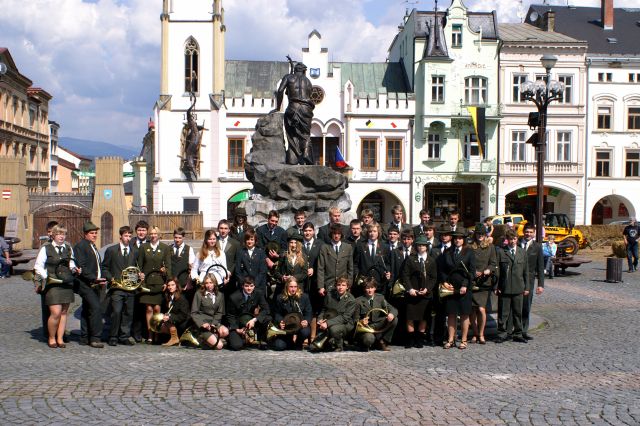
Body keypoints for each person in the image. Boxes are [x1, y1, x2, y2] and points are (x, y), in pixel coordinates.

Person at [33, 225, 76, 348]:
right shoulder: (46, 248)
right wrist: (46, 276)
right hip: (52, 284)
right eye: (58, 234)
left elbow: (72, 263)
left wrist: (75, 269)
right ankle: (51, 337)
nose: (61, 236)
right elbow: (38, 266)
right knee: (55, 313)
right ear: (53, 235)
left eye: (64, 234)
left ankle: (60, 339)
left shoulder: (68, 248)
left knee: (63, 312)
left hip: (66, 283)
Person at [101, 226, 138, 346]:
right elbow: (104, 267)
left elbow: (136, 268)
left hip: (130, 288)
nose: (128, 238)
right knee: (116, 312)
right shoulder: (111, 250)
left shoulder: (134, 251)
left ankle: (124, 336)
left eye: (130, 236)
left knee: (128, 313)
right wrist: (110, 278)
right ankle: (113, 336)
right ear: (120, 236)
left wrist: (140, 275)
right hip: (117, 287)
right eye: (126, 236)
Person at [438, 230, 475, 350]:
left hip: (464, 287)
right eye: (455, 238)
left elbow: (472, 271)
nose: (457, 240)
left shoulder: (469, 252)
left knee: (464, 314)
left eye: (460, 238)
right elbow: (442, 269)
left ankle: (463, 340)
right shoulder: (447, 252)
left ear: (463, 239)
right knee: (451, 314)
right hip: (450, 287)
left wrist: (465, 285)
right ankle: (450, 339)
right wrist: (445, 282)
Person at [274, 61, 314, 165]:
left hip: (293, 108)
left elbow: (280, 91)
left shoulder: (288, 77)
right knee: (305, 134)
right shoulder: (308, 81)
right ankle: (306, 153)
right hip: (306, 109)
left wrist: (278, 107)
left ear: (295, 70)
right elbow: (308, 95)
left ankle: (293, 159)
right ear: (304, 71)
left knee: (291, 134)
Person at [73, 221, 107, 348]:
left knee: (87, 309)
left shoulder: (92, 246)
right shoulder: (81, 246)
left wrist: (102, 278)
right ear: (85, 234)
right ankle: (95, 338)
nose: (95, 235)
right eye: (92, 233)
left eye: (96, 233)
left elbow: (98, 265)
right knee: (96, 308)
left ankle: (84, 337)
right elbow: (82, 266)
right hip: (85, 284)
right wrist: (94, 278)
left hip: (95, 284)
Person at [137, 226, 172, 343]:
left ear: (159, 235)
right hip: (147, 282)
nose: (153, 236)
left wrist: (167, 280)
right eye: (151, 234)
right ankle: (150, 335)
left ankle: (157, 333)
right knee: (148, 308)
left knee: (157, 308)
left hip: (159, 282)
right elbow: (139, 265)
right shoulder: (143, 247)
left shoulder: (165, 248)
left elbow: (168, 266)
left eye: (155, 233)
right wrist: (140, 277)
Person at [401, 235, 437, 348]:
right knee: (410, 316)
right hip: (412, 292)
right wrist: (410, 289)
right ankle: (410, 339)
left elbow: (434, 278)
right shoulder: (410, 259)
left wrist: (427, 289)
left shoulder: (431, 260)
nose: (421, 247)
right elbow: (405, 275)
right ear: (416, 246)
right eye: (419, 245)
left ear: (426, 247)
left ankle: (419, 339)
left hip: (425, 293)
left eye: (423, 245)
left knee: (424, 317)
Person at [495, 229, 529, 344]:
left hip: (518, 287)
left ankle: (518, 333)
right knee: (503, 313)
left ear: (517, 239)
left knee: (517, 312)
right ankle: (502, 333)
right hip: (504, 287)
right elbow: (497, 271)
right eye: (510, 239)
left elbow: (526, 271)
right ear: (507, 240)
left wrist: (527, 287)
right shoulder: (501, 252)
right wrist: (496, 286)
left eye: (514, 239)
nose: (512, 241)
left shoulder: (522, 252)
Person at [469, 223, 497, 345]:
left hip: (484, 282)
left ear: (485, 235)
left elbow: (493, 263)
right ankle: (475, 333)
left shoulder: (490, 247)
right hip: (472, 281)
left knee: (481, 309)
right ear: (475, 235)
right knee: (472, 310)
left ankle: (481, 334)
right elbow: (466, 262)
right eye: (478, 234)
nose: (480, 236)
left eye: (482, 234)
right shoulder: (470, 246)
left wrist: (488, 270)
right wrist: (472, 271)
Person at [226, 277, 271, 350]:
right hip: (238, 324)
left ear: (254, 286)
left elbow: (266, 309)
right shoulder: (233, 297)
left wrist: (254, 320)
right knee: (236, 346)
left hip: (251, 321)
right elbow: (230, 316)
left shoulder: (258, 293)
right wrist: (237, 329)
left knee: (268, 318)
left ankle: (261, 338)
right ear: (242, 286)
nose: (249, 288)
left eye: (251, 286)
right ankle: (243, 340)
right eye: (246, 286)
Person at [354, 277, 398, 351]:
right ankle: (368, 343)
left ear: (375, 288)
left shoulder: (380, 298)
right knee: (368, 339)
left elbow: (393, 309)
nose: (370, 290)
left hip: (378, 324)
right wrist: (361, 321)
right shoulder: (358, 301)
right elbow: (355, 319)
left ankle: (383, 341)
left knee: (395, 319)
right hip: (367, 327)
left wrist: (392, 314)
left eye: (372, 287)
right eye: (367, 288)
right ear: (364, 289)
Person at [315, 276, 356, 352]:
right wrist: (320, 319)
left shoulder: (351, 300)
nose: (340, 287)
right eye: (338, 285)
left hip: (344, 324)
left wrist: (327, 323)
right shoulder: (329, 295)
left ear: (347, 287)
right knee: (314, 347)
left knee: (334, 329)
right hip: (329, 320)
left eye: (343, 285)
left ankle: (339, 345)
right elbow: (324, 309)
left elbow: (345, 318)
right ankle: (331, 341)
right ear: (335, 286)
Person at [271, 276, 312, 350]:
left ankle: (299, 343)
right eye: (291, 287)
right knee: (279, 346)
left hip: (300, 325)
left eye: (295, 287)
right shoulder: (280, 298)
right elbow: (277, 313)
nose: (293, 289)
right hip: (287, 326)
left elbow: (309, 312)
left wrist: (306, 321)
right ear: (287, 287)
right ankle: (290, 342)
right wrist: (280, 321)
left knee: (305, 332)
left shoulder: (304, 297)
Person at [519, 223, 545, 340]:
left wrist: (540, 284)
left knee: (526, 306)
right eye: (526, 232)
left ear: (534, 233)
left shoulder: (537, 247)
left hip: (529, 280)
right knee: (515, 305)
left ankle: (524, 330)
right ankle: (514, 330)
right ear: (523, 232)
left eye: (530, 232)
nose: (528, 234)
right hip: (515, 279)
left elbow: (540, 267)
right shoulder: (516, 243)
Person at [190, 274, 229, 349]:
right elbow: (194, 313)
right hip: (203, 325)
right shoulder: (199, 294)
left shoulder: (220, 295)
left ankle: (211, 339)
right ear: (204, 284)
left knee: (225, 331)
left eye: (211, 282)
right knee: (219, 346)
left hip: (213, 323)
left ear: (214, 283)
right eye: (206, 283)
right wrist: (202, 324)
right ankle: (202, 338)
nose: (209, 285)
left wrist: (214, 324)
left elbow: (219, 312)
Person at [301, 222, 324, 341]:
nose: (308, 233)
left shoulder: (320, 244)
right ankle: (304, 335)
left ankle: (313, 336)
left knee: (314, 308)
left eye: (310, 230)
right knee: (304, 307)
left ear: (313, 231)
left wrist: (314, 269)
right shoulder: (299, 244)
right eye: (305, 231)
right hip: (302, 282)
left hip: (315, 282)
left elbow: (322, 261)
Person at [317, 223, 354, 296]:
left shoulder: (348, 247)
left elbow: (350, 268)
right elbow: (320, 268)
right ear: (331, 234)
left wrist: (349, 284)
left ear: (341, 235)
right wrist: (321, 286)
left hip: (343, 284)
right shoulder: (324, 248)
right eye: (334, 233)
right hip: (329, 284)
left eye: (339, 234)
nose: (336, 236)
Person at [353, 223, 390, 295]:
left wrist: (388, 272)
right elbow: (355, 264)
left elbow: (388, 263)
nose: (372, 233)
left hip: (379, 283)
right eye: (370, 231)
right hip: (364, 284)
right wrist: (358, 276)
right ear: (367, 233)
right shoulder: (360, 245)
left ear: (378, 232)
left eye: (374, 231)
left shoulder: (385, 246)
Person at [273, 234, 309, 303]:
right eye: (291, 242)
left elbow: (305, 273)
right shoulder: (283, 255)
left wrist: (293, 278)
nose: (293, 245)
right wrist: (282, 277)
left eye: (295, 243)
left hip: (298, 287)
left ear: (298, 244)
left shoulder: (304, 256)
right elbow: (276, 272)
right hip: (285, 288)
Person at [38, 220, 58, 341]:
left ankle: (60, 333)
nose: (51, 234)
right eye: (49, 231)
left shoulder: (65, 245)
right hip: (46, 282)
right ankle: (48, 333)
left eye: (53, 231)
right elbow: (38, 266)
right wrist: (38, 283)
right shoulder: (44, 246)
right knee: (47, 309)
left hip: (59, 282)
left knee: (60, 310)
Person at [158, 276, 191, 346]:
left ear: (177, 286)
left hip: (183, 323)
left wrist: (170, 317)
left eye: (173, 285)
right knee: (161, 325)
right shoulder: (167, 297)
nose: (170, 287)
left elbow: (183, 315)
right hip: (174, 321)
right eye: (168, 285)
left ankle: (175, 338)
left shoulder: (182, 298)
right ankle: (175, 338)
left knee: (166, 321)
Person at [235, 228, 268, 293]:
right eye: (248, 239)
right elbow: (237, 270)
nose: (249, 241)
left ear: (255, 240)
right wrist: (244, 283)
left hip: (258, 285)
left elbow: (262, 270)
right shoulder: (240, 252)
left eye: (252, 239)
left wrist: (255, 283)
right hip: (244, 285)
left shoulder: (260, 252)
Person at [170, 227, 195, 294]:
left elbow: (192, 268)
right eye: (176, 237)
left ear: (183, 237)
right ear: (173, 236)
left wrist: (189, 282)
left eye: (180, 238)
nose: (177, 240)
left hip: (184, 285)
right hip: (171, 285)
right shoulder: (168, 248)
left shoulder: (189, 249)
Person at [217, 219, 241, 290]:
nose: (223, 230)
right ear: (218, 229)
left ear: (229, 230)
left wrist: (230, 271)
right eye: (221, 228)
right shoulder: (213, 241)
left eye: (225, 228)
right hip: (215, 276)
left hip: (230, 277)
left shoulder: (235, 243)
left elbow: (237, 260)